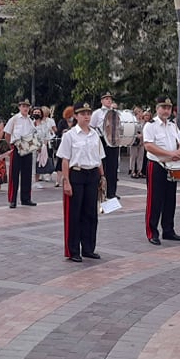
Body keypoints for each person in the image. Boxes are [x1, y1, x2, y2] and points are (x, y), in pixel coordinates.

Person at [56, 101, 106, 262]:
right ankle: (73, 250)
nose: (86, 117)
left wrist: (102, 176)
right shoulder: (69, 135)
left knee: (91, 214)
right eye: (83, 114)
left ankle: (88, 248)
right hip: (76, 175)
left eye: (88, 113)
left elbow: (99, 158)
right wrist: (66, 181)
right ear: (76, 116)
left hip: (92, 175)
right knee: (74, 214)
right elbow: (65, 160)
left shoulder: (95, 135)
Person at [142, 96, 180, 245]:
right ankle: (152, 232)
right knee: (154, 200)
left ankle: (168, 230)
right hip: (157, 165)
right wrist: (169, 154)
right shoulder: (150, 125)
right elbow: (148, 146)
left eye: (168, 108)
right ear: (157, 108)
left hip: (171, 166)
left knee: (170, 199)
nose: (166, 111)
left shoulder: (172, 125)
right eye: (163, 107)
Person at [3, 99, 37, 207]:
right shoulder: (14, 119)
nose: (25, 108)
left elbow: (33, 133)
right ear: (19, 107)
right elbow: (7, 134)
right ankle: (12, 199)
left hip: (27, 147)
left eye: (27, 106)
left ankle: (26, 198)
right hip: (17, 146)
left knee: (27, 174)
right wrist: (11, 146)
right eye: (23, 106)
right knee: (14, 174)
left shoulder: (30, 120)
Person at [90, 92, 121, 201]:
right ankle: (101, 191)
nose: (109, 100)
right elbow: (92, 127)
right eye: (106, 99)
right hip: (102, 139)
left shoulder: (116, 112)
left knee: (113, 167)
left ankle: (111, 192)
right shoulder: (97, 113)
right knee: (103, 166)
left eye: (110, 99)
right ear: (102, 101)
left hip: (113, 139)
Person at [129, 106, 146, 179]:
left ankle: (139, 171)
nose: (141, 113)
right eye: (140, 112)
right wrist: (136, 135)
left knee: (140, 157)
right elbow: (130, 130)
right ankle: (132, 171)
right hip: (134, 140)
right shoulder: (133, 120)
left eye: (141, 112)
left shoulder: (143, 121)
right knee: (133, 156)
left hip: (142, 141)